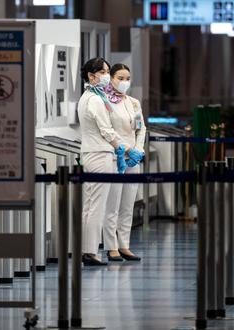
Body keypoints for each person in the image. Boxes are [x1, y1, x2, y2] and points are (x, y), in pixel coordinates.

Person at [78, 58, 129, 266]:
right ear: (92, 76)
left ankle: (88, 249)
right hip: (99, 154)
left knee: (91, 205)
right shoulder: (95, 99)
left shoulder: (92, 96)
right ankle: (90, 252)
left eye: (108, 71)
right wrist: (121, 147)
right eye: (104, 72)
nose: (107, 76)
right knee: (95, 205)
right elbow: (106, 129)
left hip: (95, 153)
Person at [103, 63, 146, 262]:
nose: (124, 82)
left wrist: (138, 149)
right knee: (112, 205)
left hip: (132, 158)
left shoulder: (133, 103)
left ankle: (124, 245)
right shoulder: (103, 101)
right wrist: (124, 149)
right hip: (114, 156)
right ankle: (111, 247)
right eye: (120, 78)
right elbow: (107, 131)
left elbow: (140, 128)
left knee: (128, 204)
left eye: (127, 78)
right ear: (111, 77)